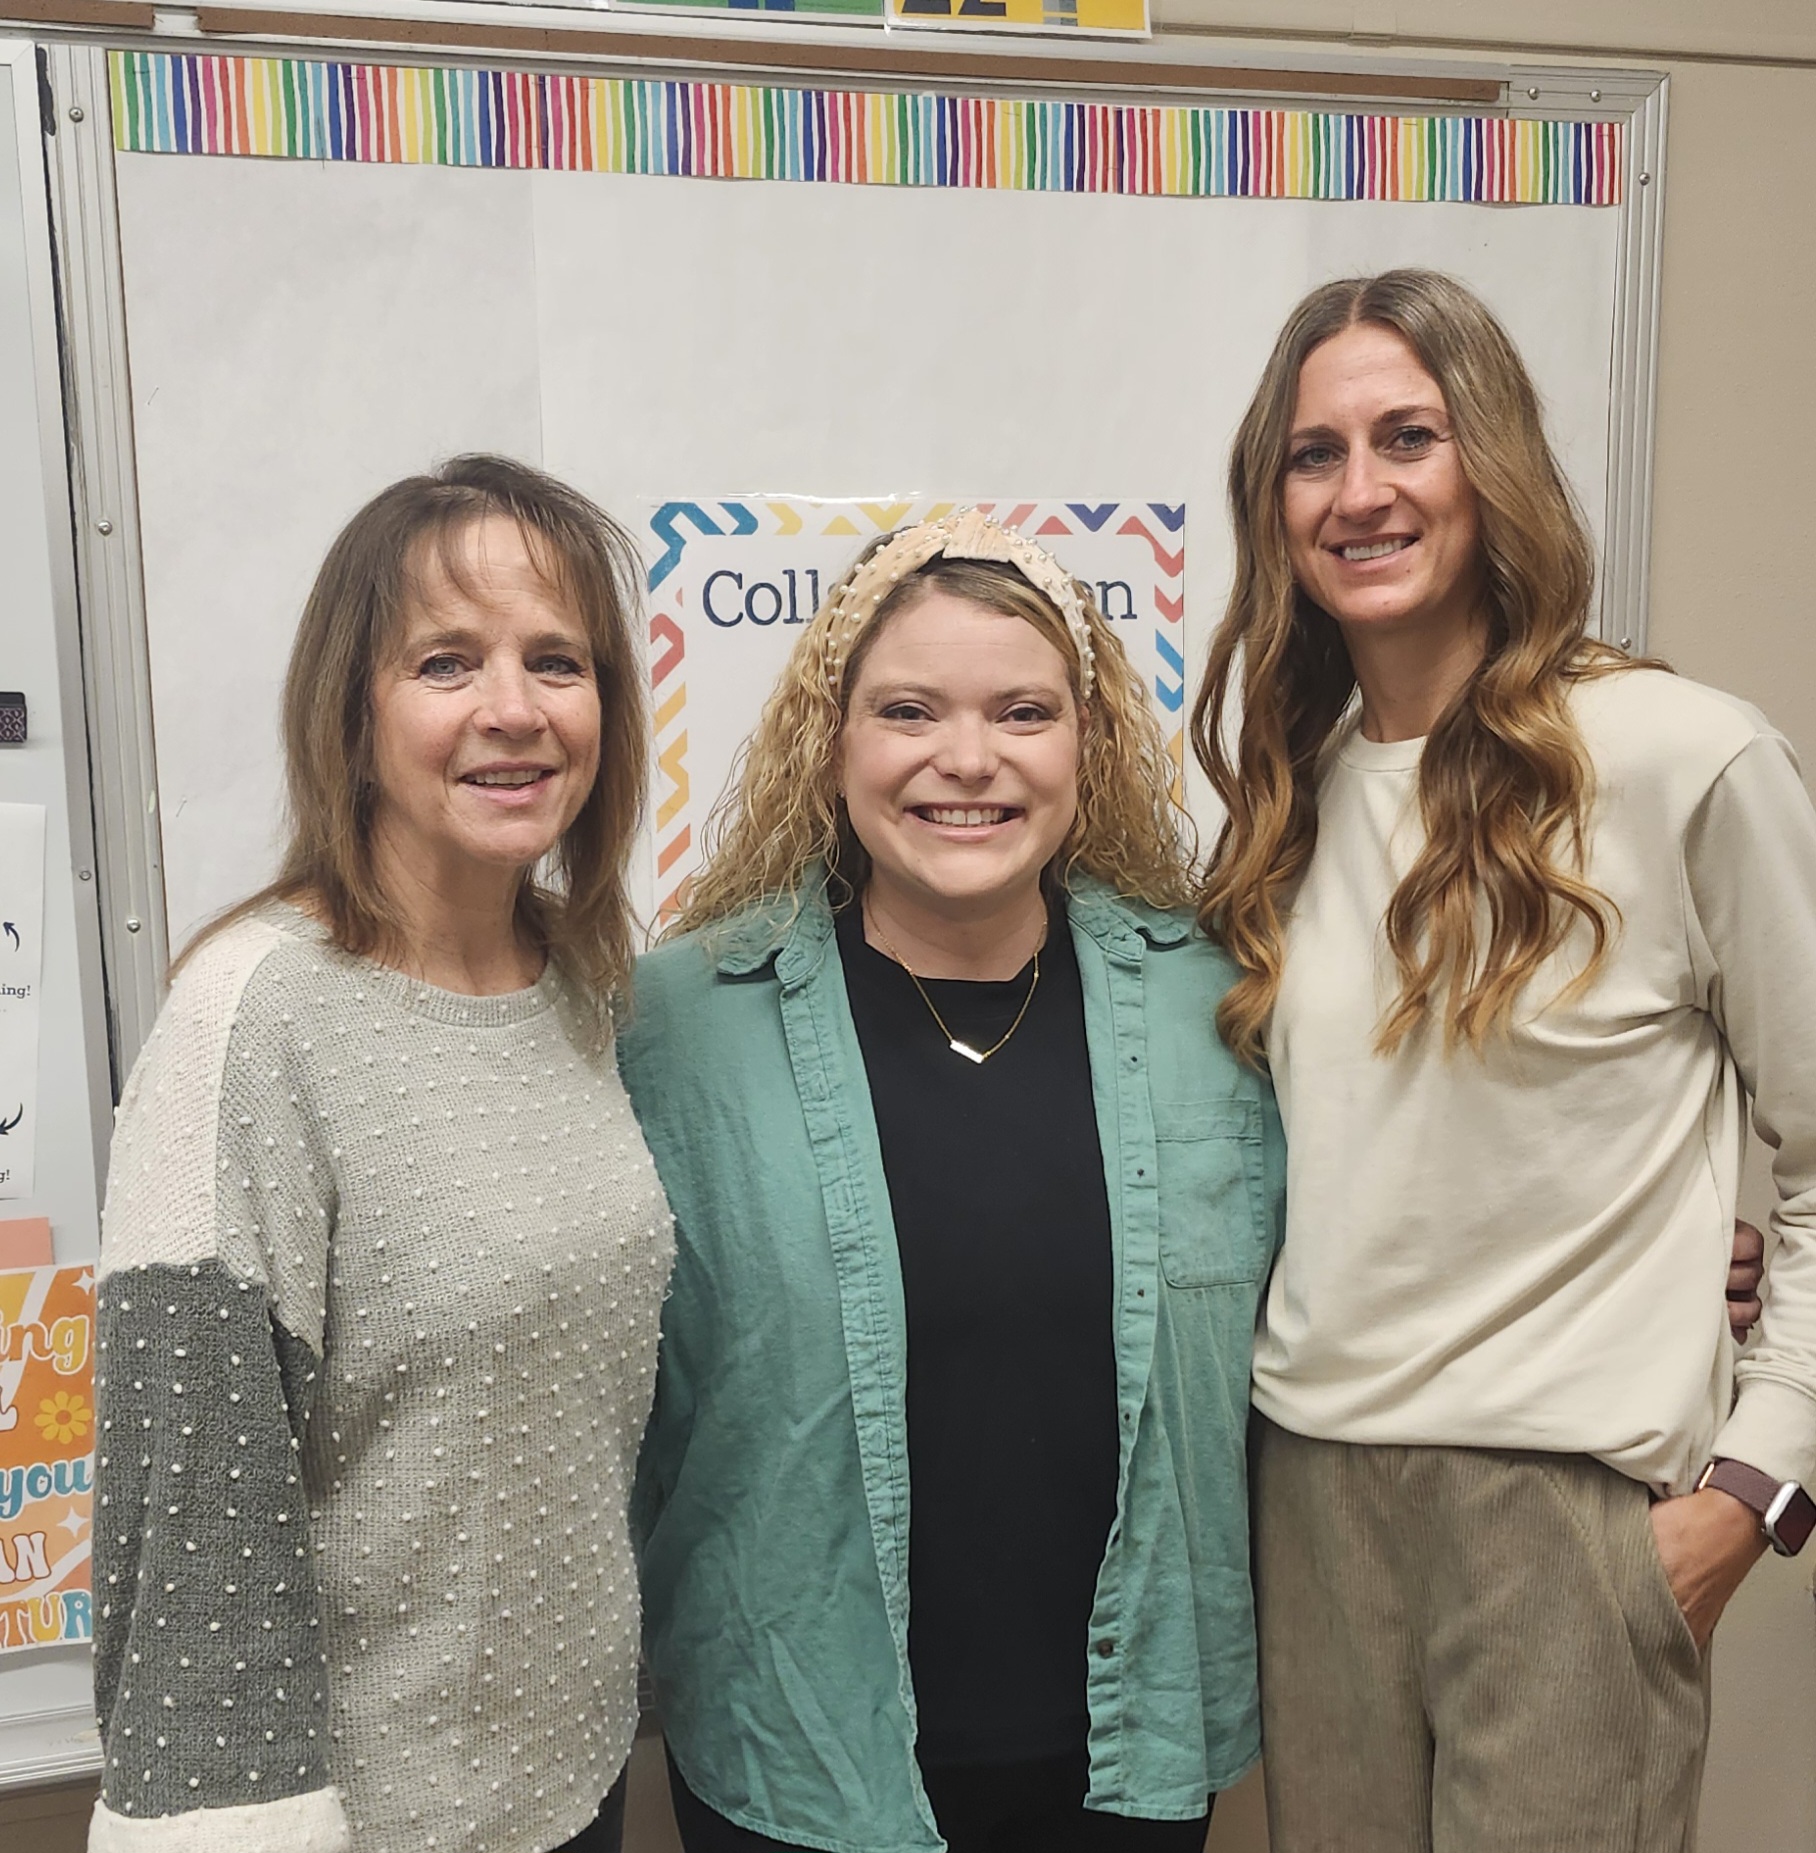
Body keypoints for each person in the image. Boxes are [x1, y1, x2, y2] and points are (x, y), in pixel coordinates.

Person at [1191, 268, 1816, 1852]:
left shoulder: (1686, 756)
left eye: (1410, 434)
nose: (1361, 489)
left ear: (1497, 464)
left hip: (1568, 1518)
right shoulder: (1284, 799)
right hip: (1313, 1506)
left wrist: (1754, 1491)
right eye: (1313, 454)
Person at [617, 509, 1284, 1853]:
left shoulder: (1221, 1010)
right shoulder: (674, 1025)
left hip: (1123, 1761)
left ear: (1085, 749)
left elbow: (1391, 1217)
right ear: (835, 739)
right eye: (909, 710)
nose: (967, 760)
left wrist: (1675, 1252)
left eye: (1023, 712)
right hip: (794, 1752)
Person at [88, 456, 674, 1853]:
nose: (515, 711)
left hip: (571, 1785)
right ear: (353, 713)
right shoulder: (252, 1019)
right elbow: (195, 1525)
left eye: (558, 661)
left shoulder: (584, 982)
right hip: (375, 1826)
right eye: (446, 663)